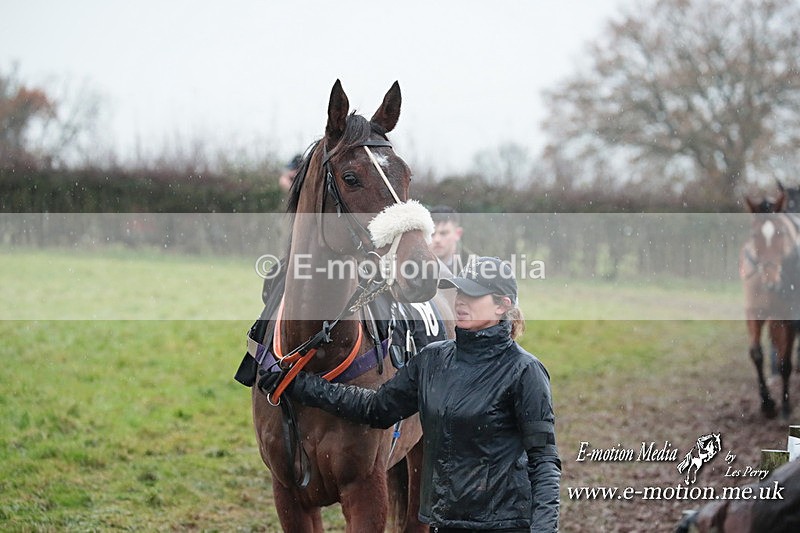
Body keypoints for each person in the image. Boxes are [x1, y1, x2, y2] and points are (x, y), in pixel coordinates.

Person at [258, 256, 561, 532]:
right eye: (459, 292)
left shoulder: (525, 372)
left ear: (502, 305)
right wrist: (301, 386)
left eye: (473, 294)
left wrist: (545, 529)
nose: (460, 301)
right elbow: (376, 408)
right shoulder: (433, 360)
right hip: (445, 523)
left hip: (505, 524)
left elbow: (544, 460)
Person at [429, 205, 471, 275]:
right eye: (432, 234)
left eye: (443, 233)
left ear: (458, 234)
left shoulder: (474, 266)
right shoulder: (414, 266)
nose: (437, 239)